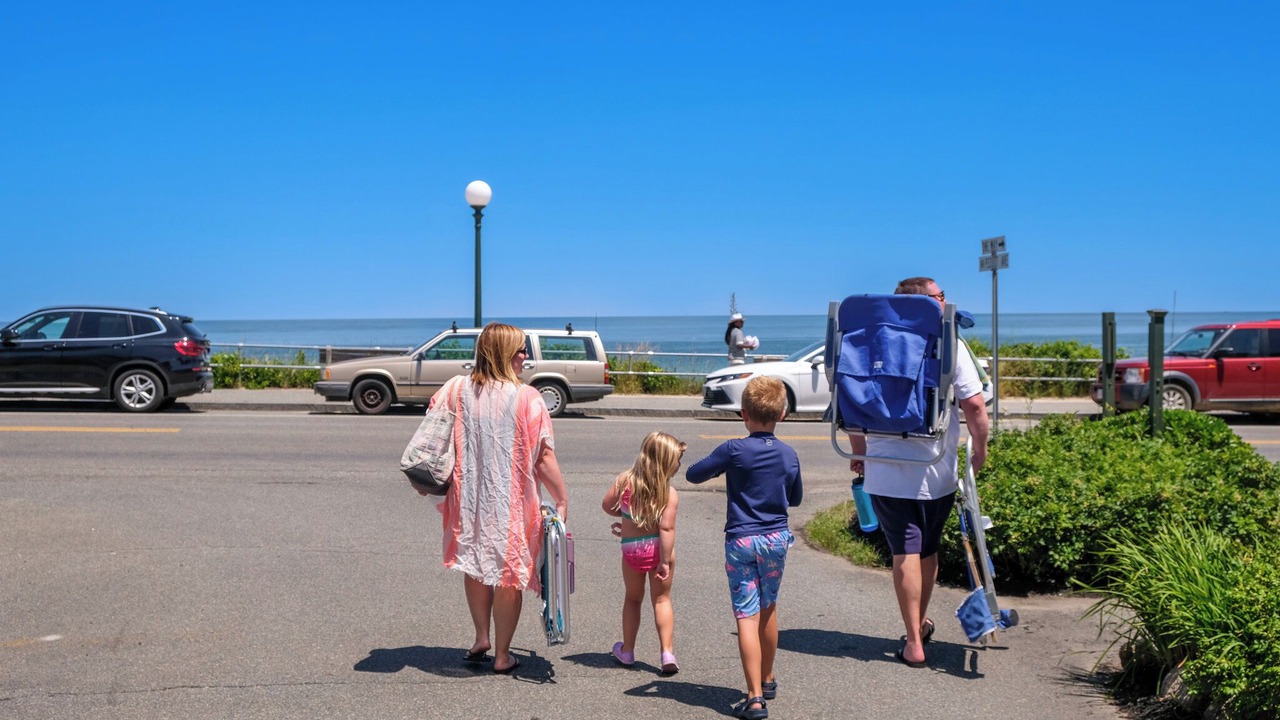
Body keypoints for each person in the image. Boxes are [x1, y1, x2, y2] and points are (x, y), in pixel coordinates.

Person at [847, 277, 989, 669]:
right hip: (936, 466)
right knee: (926, 549)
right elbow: (975, 407)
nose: (947, 302)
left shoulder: (867, 339)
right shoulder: (948, 342)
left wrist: (859, 453)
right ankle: (916, 631)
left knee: (904, 550)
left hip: (886, 467)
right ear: (923, 304)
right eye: (940, 297)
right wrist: (980, 451)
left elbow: (851, 402)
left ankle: (915, 635)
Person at [422, 322, 569, 675]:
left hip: (469, 499)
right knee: (510, 574)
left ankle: (481, 637)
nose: (525, 356)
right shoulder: (527, 398)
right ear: (503, 353)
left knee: (474, 562)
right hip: (511, 502)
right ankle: (502, 655)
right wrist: (562, 498)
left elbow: (433, 428)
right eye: (520, 350)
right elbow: (544, 457)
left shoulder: (455, 388)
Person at [686, 376, 803, 720]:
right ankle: (767, 678)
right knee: (769, 606)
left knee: (745, 614)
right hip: (775, 539)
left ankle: (754, 698)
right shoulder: (788, 454)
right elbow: (794, 498)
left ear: (743, 414)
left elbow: (694, 474)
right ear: (782, 414)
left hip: (741, 539)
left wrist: (727, 469)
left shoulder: (733, 450)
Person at [601, 431, 686, 674]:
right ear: (665, 463)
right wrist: (665, 561)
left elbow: (607, 505)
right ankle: (667, 652)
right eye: (676, 461)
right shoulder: (668, 493)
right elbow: (666, 528)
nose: (679, 466)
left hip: (631, 550)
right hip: (659, 551)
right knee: (662, 600)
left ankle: (627, 650)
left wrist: (628, 518)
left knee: (633, 598)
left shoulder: (625, 481)